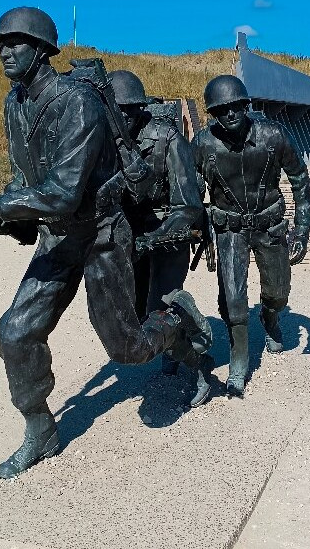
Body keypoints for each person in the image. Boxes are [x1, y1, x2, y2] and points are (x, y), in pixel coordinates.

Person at [0, 7, 213, 478]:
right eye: (0, 44)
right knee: (16, 332)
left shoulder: (77, 104)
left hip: (102, 237)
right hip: (57, 238)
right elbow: (25, 181)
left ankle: (175, 321)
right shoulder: (15, 103)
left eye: (16, 43)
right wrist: (4, 217)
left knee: (126, 350)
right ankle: (40, 427)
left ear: (43, 50)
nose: (5, 51)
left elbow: (65, 192)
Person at [192, 75, 310, 397]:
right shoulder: (204, 144)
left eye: (235, 107)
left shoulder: (273, 136)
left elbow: (300, 178)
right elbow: (189, 191)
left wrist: (302, 230)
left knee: (278, 292)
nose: (230, 115)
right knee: (233, 299)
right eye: (221, 110)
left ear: (246, 106)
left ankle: (270, 317)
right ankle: (239, 360)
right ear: (212, 114)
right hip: (229, 229)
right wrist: (195, 226)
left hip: (269, 226)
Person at [109, 70, 208, 394]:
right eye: (115, 110)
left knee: (160, 308)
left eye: (129, 110)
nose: (122, 117)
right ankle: (179, 329)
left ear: (140, 108)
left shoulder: (167, 138)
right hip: (130, 237)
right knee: (135, 316)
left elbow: (190, 207)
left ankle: (196, 366)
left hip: (169, 233)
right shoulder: (99, 138)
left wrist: (154, 237)